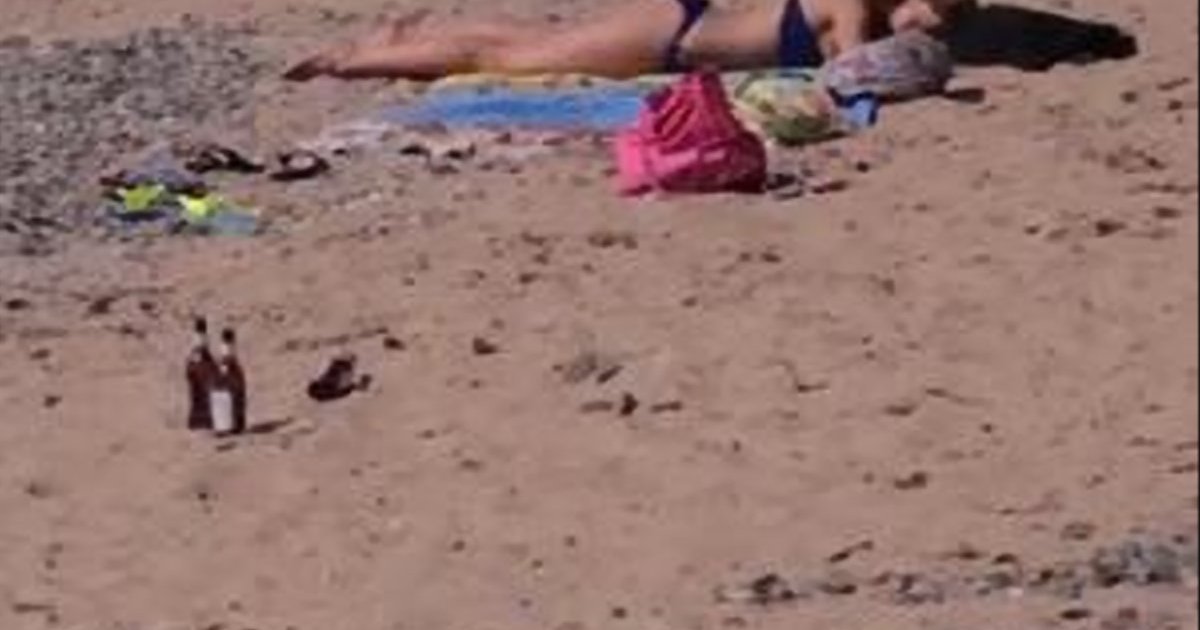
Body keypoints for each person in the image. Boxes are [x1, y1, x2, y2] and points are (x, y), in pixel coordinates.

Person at [283, 0, 972, 81]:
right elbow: (851, 71)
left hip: (682, 23)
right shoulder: (849, 5)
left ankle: (398, 38)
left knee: (536, 40)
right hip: (672, 39)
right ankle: (349, 62)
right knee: (506, 59)